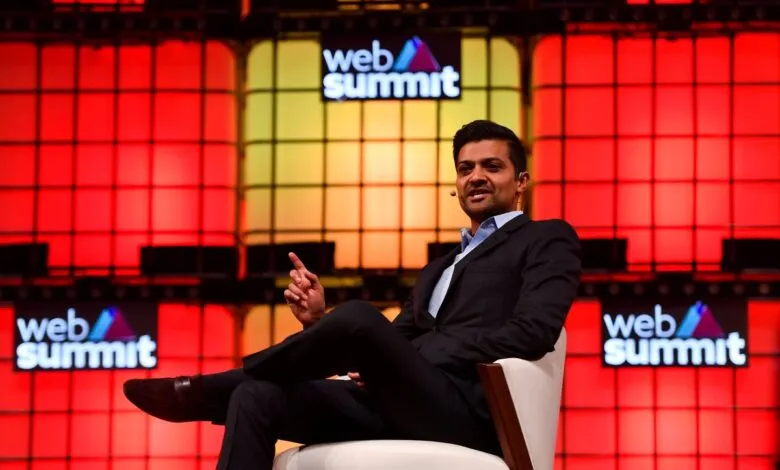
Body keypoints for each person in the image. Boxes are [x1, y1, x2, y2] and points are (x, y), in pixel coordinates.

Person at [123, 119, 582, 470]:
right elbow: (385, 344)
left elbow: (533, 332)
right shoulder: (439, 268)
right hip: (398, 404)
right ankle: (233, 389)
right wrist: (320, 323)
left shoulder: (547, 238)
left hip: (469, 413)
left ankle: (208, 390)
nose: (476, 177)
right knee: (258, 396)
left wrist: (413, 356)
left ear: (520, 181)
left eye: (491, 166)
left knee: (361, 316)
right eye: (466, 169)